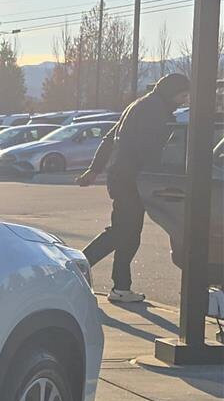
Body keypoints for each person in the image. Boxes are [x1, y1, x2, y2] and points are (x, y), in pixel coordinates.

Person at [77, 72, 190, 304]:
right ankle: (77, 266)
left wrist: (95, 169)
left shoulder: (140, 105)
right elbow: (152, 148)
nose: (184, 100)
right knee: (122, 231)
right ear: (171, 92)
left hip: (122, 176)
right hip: (131, 179)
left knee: (129, 233)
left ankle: (121, 287)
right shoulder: (154, 111)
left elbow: (109, 138)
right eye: (183, 95)